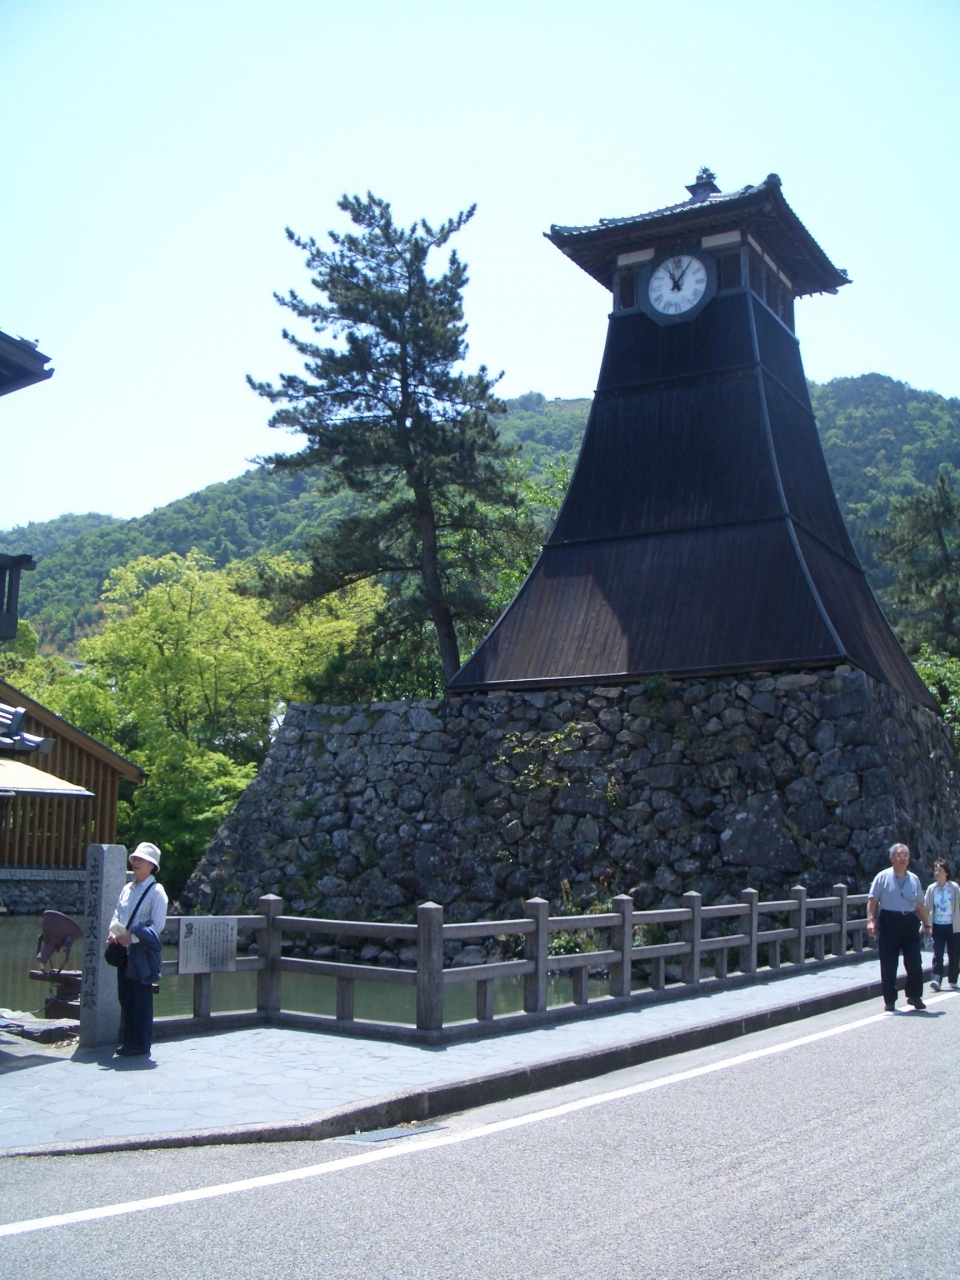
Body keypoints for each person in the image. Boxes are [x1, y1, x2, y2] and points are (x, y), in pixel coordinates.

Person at [107, 842, 168, 1057]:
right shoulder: (127, 888)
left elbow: (157, 926)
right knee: (125, 996)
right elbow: (118, 913)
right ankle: (128, 1042)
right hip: (123, 950)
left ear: (152, 865)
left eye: (141, 860)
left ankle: (141, 1043)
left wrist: (132, 938)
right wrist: (113, 933)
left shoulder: (157, 891)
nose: (136, 863)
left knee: (141, 998)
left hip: (141, 952)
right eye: (135, 859)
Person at [866, 842, 931, 1012]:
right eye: (899, 855)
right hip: (889, 921)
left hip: (909, 921)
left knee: (914, 961)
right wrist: (870, 920)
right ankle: (890, 1000)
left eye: (905, 855)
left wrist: (927, 925)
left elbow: (920, 905)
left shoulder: (914, 879)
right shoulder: (882, 877)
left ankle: (914, 995)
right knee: (889, 963)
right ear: (891, 858)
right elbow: (872, 901)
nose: (902, 858)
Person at [924, 858, 960, 992]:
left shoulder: (954, 888)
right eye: (935, 870)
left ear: (946, 872)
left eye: (940, 870)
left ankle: (953, 980)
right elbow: (926, 907)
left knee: (954, 954)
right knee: (937, 953)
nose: (937, 873)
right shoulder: (931, 889)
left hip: (953, 925)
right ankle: (936, 979)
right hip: (937, 925)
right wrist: (925, 925)